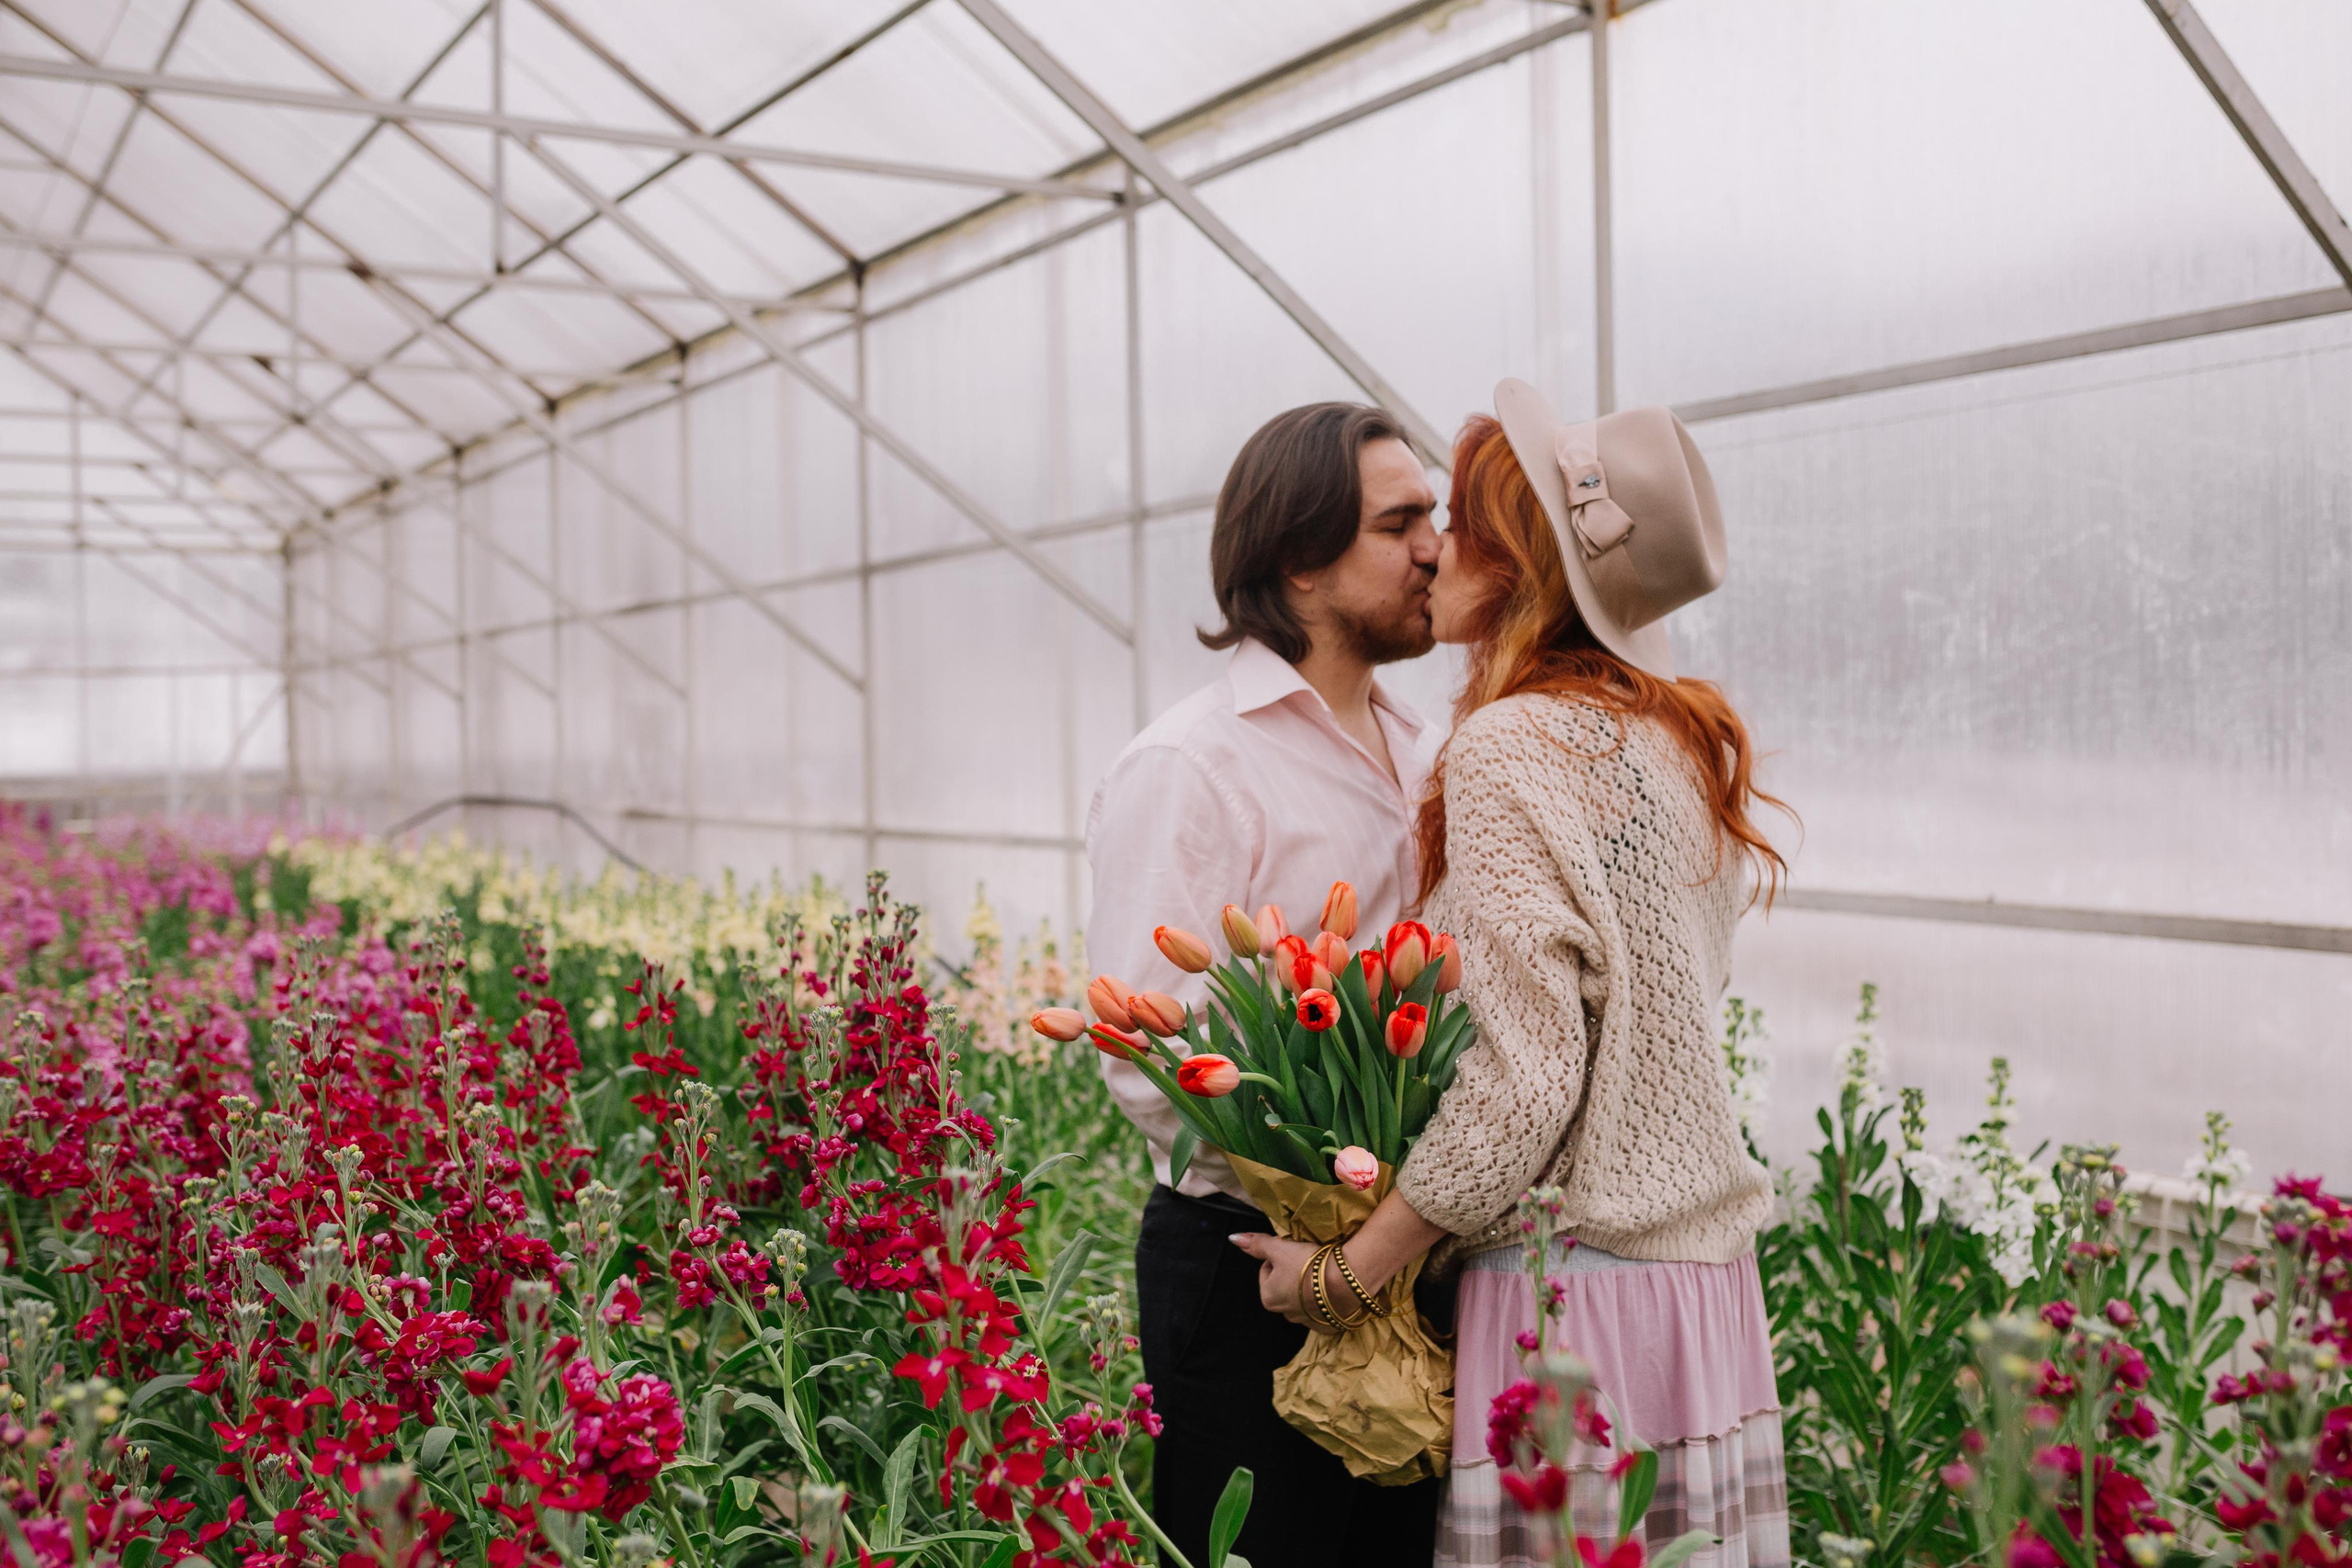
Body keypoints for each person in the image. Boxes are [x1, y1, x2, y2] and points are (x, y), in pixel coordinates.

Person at [1231, 380, 1794, 1568]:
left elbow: (1520, 1086)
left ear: (1522, 563)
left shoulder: (1507, 745)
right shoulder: (1671, 741)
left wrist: (1344, 1276)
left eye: (1463, 527)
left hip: (1571, 1298)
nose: (1435, 550)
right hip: (1703, 1300)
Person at [1086, 401, 1447, 1565]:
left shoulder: (1426, 748)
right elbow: (1146, 1051)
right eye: (1399, 524)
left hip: (1407, 1255)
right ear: (1299, 559)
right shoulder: (1192, 764)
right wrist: (1322, 1187)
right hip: (1250, 1271)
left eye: (1432, 517)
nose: (1435, 548)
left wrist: (1385, 1230)